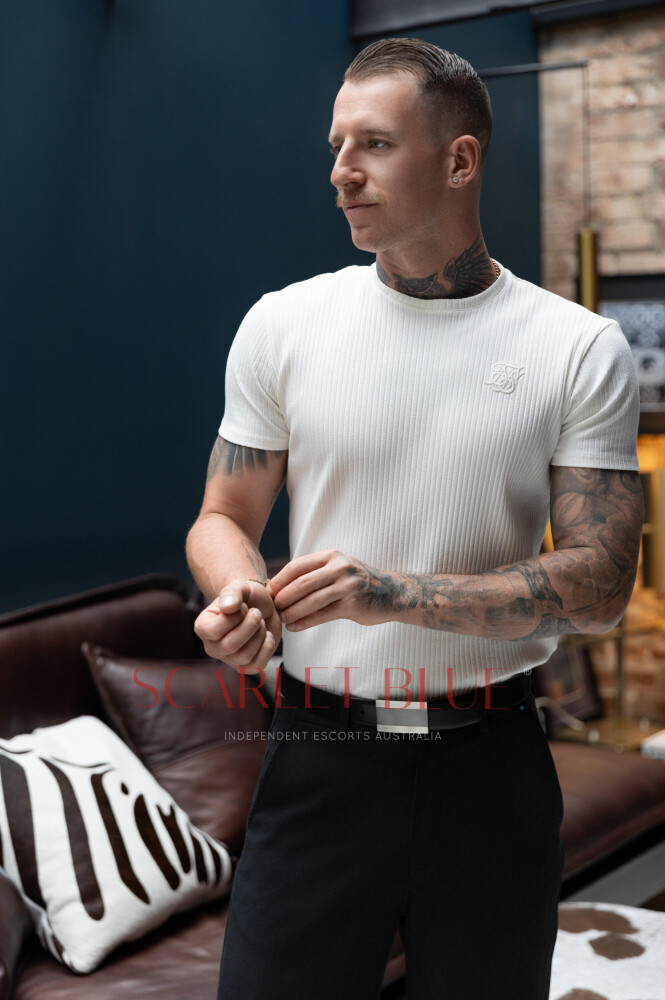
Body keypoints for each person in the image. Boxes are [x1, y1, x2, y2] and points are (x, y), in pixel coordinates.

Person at [186, 37, 643, 1000]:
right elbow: (223, 514)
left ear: (459, 159)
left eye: (374, 144)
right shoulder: (282, 324)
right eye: (336, 146)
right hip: (318, 758)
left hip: (491, 771)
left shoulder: (575, 346)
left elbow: (602, 585)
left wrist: (390, 593)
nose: (340, 172)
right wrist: (237, 591)